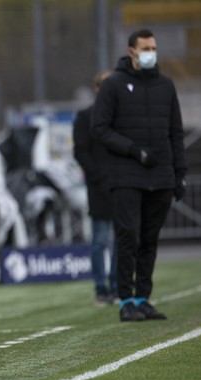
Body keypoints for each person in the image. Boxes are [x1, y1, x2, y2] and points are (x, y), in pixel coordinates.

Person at [92, 29, 187, 322]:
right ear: (131, 51)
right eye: (145, 48)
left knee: (149, 239)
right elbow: (100, 128)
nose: (151, 52)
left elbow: (175, 131)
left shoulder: (166, 86)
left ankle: (143, 297)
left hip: (160, 177)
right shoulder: (114, 86)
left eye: (154, 47)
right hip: (127, 175)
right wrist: (134, 150)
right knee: (128, 236)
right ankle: (126, 300)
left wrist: (179, 173)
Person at [73, 70, 118, 306]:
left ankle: (117, 286)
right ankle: (101, 288)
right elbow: (80, 151)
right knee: (100, 240)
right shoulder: (85, 117)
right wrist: (99, 177)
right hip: (99, 187)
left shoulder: (122, 117)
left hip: (121, 186)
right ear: (96, 89)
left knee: (123, 239)